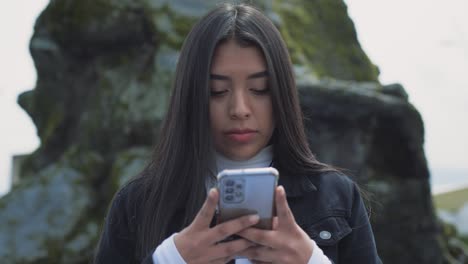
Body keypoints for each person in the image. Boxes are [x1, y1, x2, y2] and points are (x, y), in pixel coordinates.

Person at [94, 3, 382, 264]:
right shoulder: (137, 204)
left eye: (260, 89)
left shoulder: (336, 196)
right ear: (191, 97)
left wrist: (311, 262)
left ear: (281, 93)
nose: (240, 109)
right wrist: (169, 260)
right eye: (216, 91)